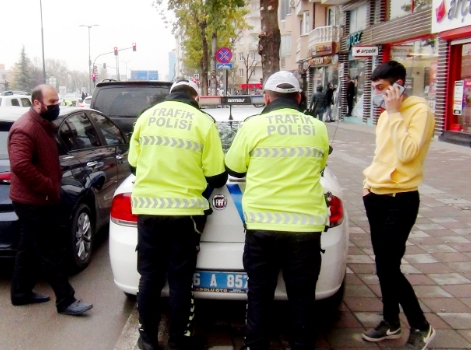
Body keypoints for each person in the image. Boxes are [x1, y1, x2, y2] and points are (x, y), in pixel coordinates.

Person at [225, 71, 329, 350]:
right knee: (302, 296)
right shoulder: (317, 127)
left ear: (267, 98)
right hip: (305, 229)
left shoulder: (253, 126)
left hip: (262, 227)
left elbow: (234, 169)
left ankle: (256, 346)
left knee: (259, 293)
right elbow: (320, 168)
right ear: (298, 97)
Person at [129, 79, 227, 350]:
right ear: (194, 97)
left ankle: (146, 339)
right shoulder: (203, 121)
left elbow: (133, 166)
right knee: (180, 279)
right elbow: (218, 176)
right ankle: (177, 339)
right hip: (185, 213)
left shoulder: (146, 117)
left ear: (170, 95)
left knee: (149, 276)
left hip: (149, 211)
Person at [362, 61, 436, 349]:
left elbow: (406, 154)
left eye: (382, 89)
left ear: (398, 85)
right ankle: (391, 321)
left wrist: (394, 113)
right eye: (375, 89)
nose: (378, 95)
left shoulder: (419, 112)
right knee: (382, 265)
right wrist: (367, 185)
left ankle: (421, 325)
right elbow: (382, 155)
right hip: (375, 194)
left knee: (390, 265)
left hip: (401, 198)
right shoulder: (385, 116)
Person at [8, 84, 93, 316]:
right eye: (52, 103)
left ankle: (20, 293)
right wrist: (47, 185)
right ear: (37, 103)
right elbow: (20, 165)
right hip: (32, 200)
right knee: (50, 251)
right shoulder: (25, 129)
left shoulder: (43, 125)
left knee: (27, 247)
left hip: (41, 196)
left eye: (57, 101)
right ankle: (65, 300)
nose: (57, 106)